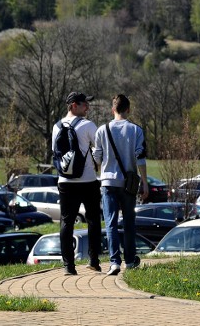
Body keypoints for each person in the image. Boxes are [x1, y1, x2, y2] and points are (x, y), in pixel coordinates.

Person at [93, 94, 149, 276]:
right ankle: (131, 260)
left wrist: (100, 172)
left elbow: (97, 158)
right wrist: (145, 183)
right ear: (128, 109)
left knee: (110, 222)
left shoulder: (102, 130)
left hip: (107, 182)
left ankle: (114, 261)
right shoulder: (136, 130)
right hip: (128, 184)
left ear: (113, 109)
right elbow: (140, 158)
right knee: (129, 223)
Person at [52, 91, 103, 275]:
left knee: (66, 222)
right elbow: (100, 150)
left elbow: (55, 154)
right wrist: (97, 163)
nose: (87, 107)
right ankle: (94, 260)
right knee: (93, 220)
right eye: (84, 104)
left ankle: (68, 266)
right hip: (88, 180)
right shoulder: (88, 125)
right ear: (73, 105)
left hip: (65, 181)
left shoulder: (56, 127)